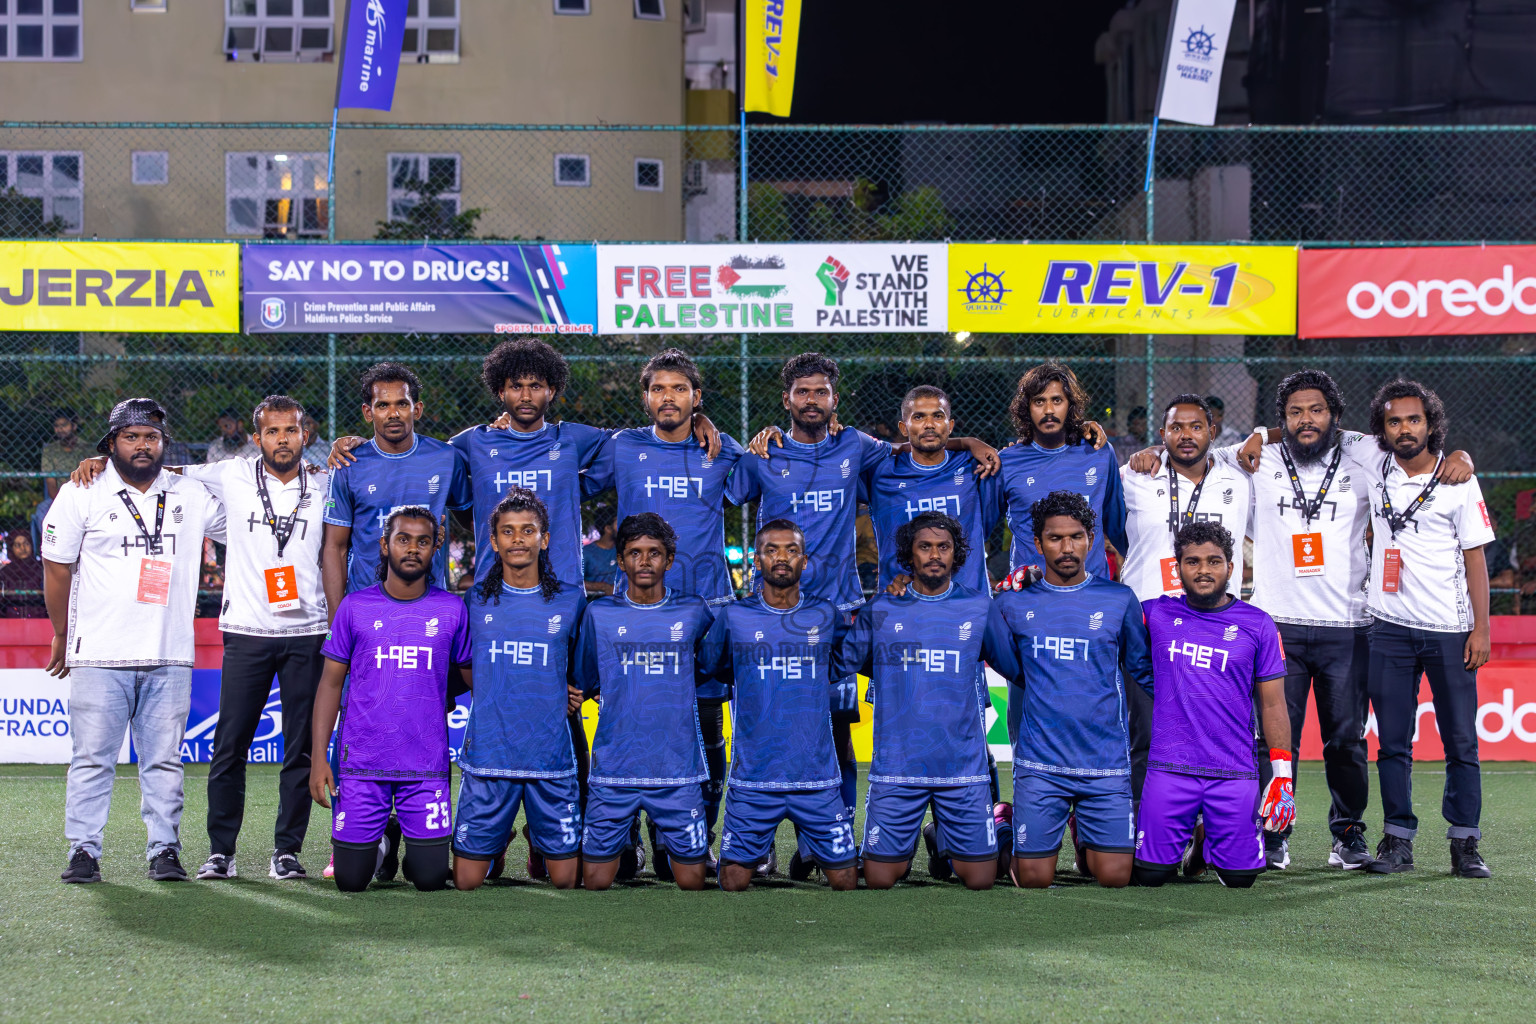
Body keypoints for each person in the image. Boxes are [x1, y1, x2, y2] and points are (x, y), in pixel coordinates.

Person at [732, 358, 999, 870]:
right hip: (771, 616)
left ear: (835, 401)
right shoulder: (764, 453)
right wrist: (721, 431)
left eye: (822, 392)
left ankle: (834, 841)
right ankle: (757, 842)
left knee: (837, 725)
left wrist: (969, 443)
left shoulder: (856, 448)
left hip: (837, 614)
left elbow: (917, 446)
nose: (812, 400)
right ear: (786, 399)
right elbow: (724, 475)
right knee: (763, 720)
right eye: (802, 392)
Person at [1216, 371, 1475, 870]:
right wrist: (1257, 434)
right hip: (1275, 624)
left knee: (1348, 739)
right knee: (1273, 740)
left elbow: (1423, 450)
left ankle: (1348, 834)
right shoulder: (1255, 457)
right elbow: (1195, 452)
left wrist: (1463, 457)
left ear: (1335, 414)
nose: (1305, 420)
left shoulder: (1365, 451)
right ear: (1281, 420)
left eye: (1316, 410)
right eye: (1294, 412)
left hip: (1349, 623)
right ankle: (1272, 833)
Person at [67, 395, 331, 882]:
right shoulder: (230, 472)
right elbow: (164, 468)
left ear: (305, 435)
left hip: (309, 630)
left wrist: (352, 445)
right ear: (257, 438)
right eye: (271, 432)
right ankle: (220, 851)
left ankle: (287, 850)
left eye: (290, 431)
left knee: (301, 749)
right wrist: (103, 463)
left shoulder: (327, 482)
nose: (281, 440)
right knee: (229, 746)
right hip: (246, 630)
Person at [43, 399, 226, 884]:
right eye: (131, 437)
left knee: (164, 761)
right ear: (111, 443)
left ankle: (164, 850)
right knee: (91, 759)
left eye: (151, 437)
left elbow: (250, 509)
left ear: (164, 443)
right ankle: (84, 850)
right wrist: (62, 633)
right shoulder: (81, 491)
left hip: (168, 653)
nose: (142, 445)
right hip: (99, 654)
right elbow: (57, 569)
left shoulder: (189, 492)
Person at [582, 349, 745, 866]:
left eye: (679, 389)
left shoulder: (720, 449)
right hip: (636, 610)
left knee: (707, 723)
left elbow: (752, 486)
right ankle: (622, 839)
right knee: (628, 716)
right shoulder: (623, 448)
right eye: (658, 389)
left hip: (706, 609)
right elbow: (565, 465)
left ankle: (691, 838)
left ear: (696, 399)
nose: (667, 397)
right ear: (646, 397)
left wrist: (719, 430)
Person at [834, 511, 1013, 891]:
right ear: (909, 555)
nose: (935, 555)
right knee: (880, 880)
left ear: (956, 554)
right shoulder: (882, 609)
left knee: (980, 880)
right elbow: (843, 661)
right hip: (898, 769)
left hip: (961, 769)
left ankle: (954, 832)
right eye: (925, 547)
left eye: (943, 547)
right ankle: (926, 836)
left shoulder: (979, 607)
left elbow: (1014, 665)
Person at [1359, 380, 1494, 878]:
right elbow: (1316, 428)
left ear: (1430, 423)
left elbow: (1475, 558)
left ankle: (1465, 843)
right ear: (1382, 429)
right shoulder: (1372, 464)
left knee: (1461, 741)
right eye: (1394, 421)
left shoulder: (1458, 478)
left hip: (1449, 629)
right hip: (1388, 628)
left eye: (1414, 420)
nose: (1404, 429)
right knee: (1392, 741)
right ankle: (1397, 840)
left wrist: (1481, 629)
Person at [990, 491, 1153, 888]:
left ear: (1092, 538)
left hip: (1105, 763)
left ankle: (1084, 834)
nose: (1067, 547)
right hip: (1042, 763)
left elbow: (1143, 669)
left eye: (1076, 537)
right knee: (1033, 880)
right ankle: (1005, 825)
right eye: (1055, 538)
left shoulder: (1119, 599)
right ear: (1038, 542)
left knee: (1114, 878)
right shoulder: (1012, 602)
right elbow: (1010, 665)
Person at [308, 506, 473, 893]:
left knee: (430, 878)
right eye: (403, 539)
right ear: (385, 546)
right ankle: (382, 837)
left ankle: (403, 836)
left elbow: (474, 680)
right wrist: (318, 758)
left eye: (423, 541)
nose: (412, 549)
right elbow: (330, 685)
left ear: (436, 548)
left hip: (425, 766)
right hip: (363, 764)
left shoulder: (452, 609)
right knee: (350, 881)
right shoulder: (354, 607)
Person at [1133, 522, 1293, 890]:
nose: (1203, 570)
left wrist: (1282, 773)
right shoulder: (1154, 614)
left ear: (1230, 568)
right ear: (1178, 568)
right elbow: (1104, 609)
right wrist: (1035, 583)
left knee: (1241, 880)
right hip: (1170, 767)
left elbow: (1272, 704)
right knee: (1149, 876)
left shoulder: (1258, 624)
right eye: (1192, 562)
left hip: (1233, 770)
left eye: (1214, 561)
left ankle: (1204, 841)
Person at [702, 519, 857, 892]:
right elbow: (715, 666)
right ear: (757, 560)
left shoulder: (825, 615)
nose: (781, 557)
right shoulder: (735, 616)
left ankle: (809, 855)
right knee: (733, 882)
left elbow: (843, 658)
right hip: (754, 779)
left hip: (816, 778)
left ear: (805, 561)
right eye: (771, 549)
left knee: (847, 882)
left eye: (791, 550)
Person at [573, 513, 716, 891]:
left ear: (669, 560)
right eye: (634, 553)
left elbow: (711, 666)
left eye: (654, 553)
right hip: (614, 770)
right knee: (595, 882)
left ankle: (655, 845)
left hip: (677, 770)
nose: (644, 561)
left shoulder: (694, 610)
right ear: (620, 561)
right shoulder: (599, 614)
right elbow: (583, 680)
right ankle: (629, 847)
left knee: (692, 883)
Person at [455, 489, 588, 891]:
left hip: (549, 757)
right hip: (490, 754)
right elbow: (465, 667)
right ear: (493, 541)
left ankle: (537, 838)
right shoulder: (475, 600)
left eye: (527, 531)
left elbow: (581, 666)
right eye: (507, 532)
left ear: (543, 539)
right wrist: (502, 686)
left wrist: (570, 689)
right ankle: (495, 843)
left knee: (566, 881)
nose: (517, 539)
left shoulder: (571, 600)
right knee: (466, 883)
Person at [321, 362, 471, 614]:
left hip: (429, 604)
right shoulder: (348, 463)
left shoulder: (446, 458)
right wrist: (336, 625)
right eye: (383, 405)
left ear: (417, 409)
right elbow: (335, 547)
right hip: (365, 604)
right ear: (368, 413)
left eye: (402, 404)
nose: (393, 413)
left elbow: (472, 521)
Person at [997, 363, 1125, 580]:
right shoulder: (1008, 461)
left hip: (1091, 590)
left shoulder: (1099, 453)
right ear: (1027, 408)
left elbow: (1118, 527)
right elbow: (980, 528)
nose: (1048, 411)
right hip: (1030, 594)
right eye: (1039, 401)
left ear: (1070, 405)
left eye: (1057, 400)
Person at [39, 407, 82, 501]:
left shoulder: (86, 448)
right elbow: (51, 484)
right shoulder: (49, 451)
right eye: (57, 426)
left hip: (84, 497)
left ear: (74, 426)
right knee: (41, 511)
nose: (60, 429)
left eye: (64, 425)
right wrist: (62, 503)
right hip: (59, 499)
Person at [0, 529, 44, 617]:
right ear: (11, 548)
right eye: (17, 545)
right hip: (11, 620)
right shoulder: (5, 572)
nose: (23, 548)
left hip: (39, 619)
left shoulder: (41, 569)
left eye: (26, 543)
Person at [583, 504, 618, 597]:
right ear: (608, 529)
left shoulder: (623, 550)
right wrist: (604, 587)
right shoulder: (586, 553)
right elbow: (575, 581)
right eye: (619, 523)